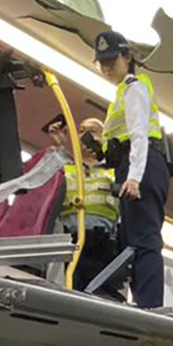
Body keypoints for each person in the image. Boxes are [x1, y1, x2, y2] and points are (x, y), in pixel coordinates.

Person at [94, 29, 169, 309]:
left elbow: (139, 135)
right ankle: (142, 301)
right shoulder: (122, 93)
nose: (106, 67)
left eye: (111, 60)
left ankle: (149, 305)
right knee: (134, 238)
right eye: (102, 62)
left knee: (144, 238)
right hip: (134, 164)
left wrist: (135, 177)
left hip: (143, 165)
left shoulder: (134, 87)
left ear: (127, 57)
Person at [45, 115, 119, 292]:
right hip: (69, 238)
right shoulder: (66, 167)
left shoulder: (115, 171)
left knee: (98, 291)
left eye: (92, 132)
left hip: (102, 242)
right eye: (81, 131)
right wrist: (60, 145)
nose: (85, 135)